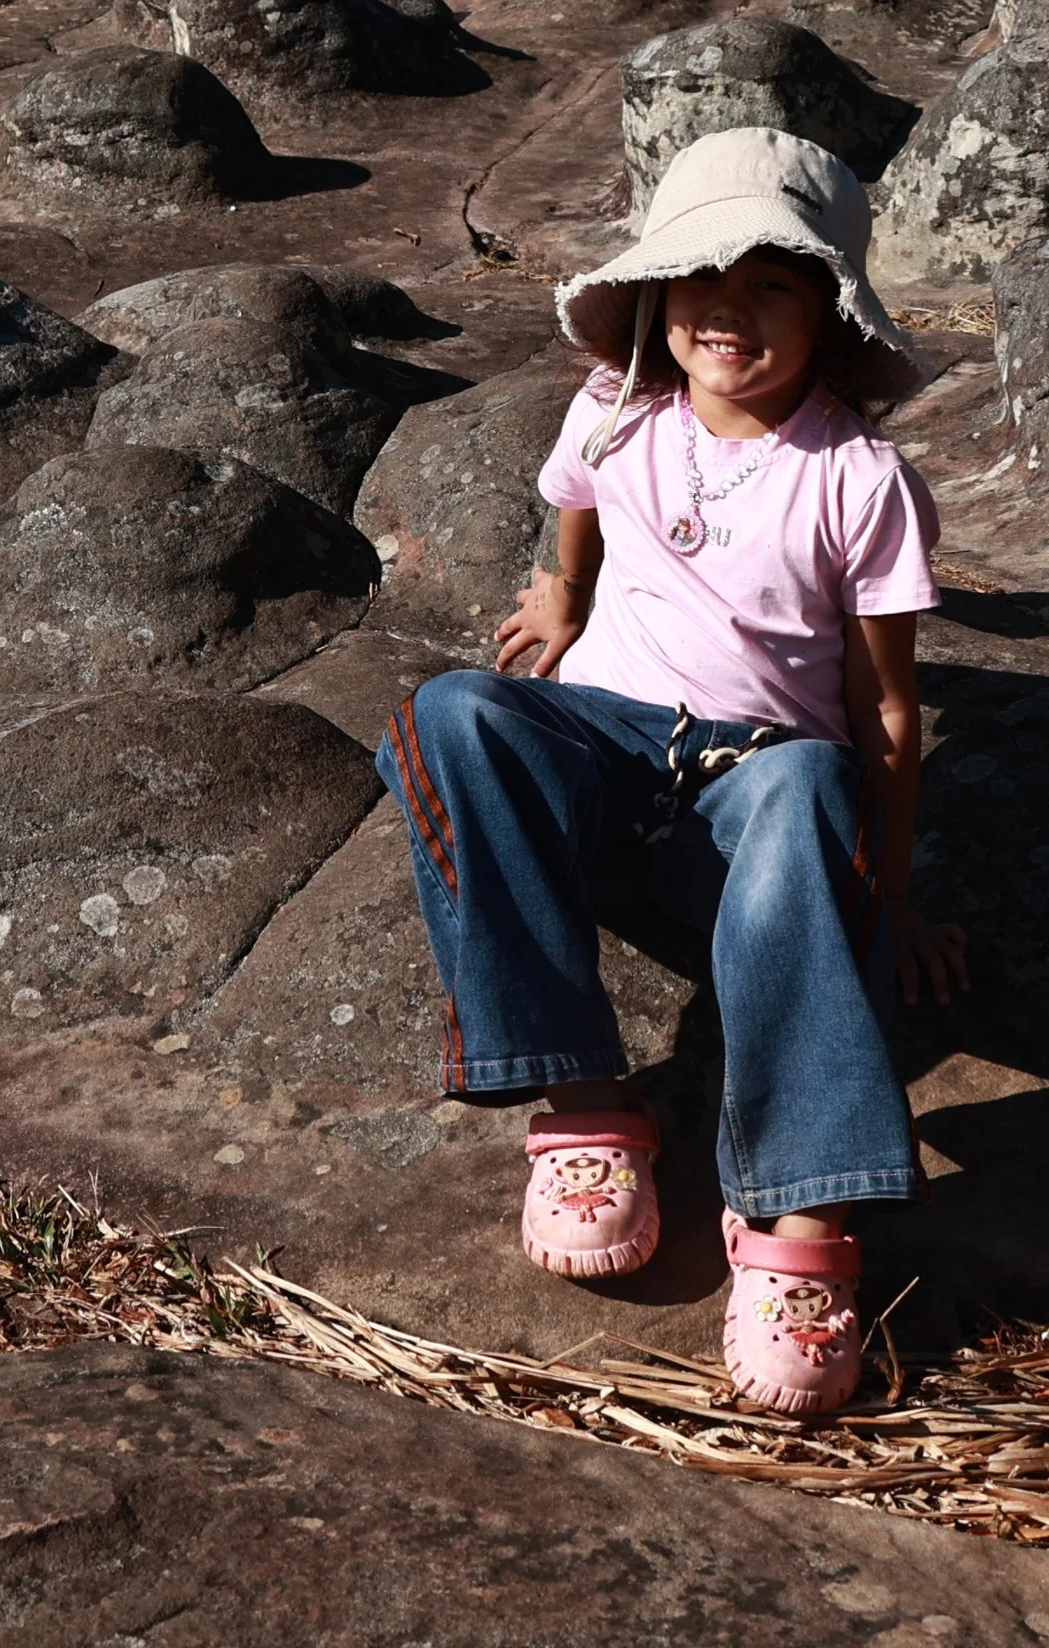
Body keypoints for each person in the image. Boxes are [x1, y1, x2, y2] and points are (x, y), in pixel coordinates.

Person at [377, 127, 970, 1415]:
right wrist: (563, 589)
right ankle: (583, 1098)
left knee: (814, 781)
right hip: (604, 751)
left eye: (773, 283)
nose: (729, 308)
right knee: (455, 712)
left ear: (829, 312)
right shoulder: (616, 410)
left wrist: (892, 893)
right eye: (704, 274)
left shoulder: (859, 479)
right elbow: (575, 496)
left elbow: (883, 702)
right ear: (655, 292)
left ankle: (802, 1224)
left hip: (756, 784)